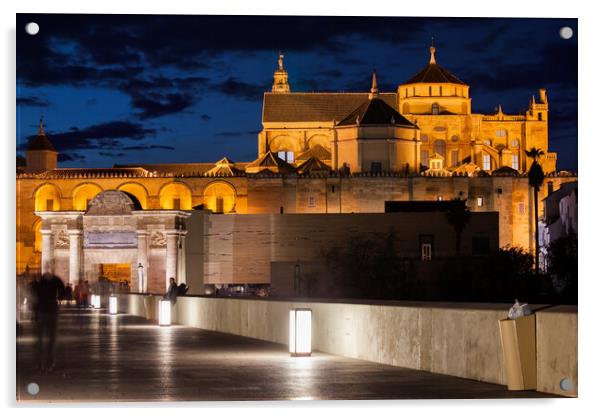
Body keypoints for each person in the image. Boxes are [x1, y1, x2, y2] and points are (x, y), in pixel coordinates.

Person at [31, 272, 65, 373]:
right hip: (50, 311)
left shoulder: (38, 283)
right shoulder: (55, 280)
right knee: (50, 339)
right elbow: (62, 292)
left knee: (40, 340)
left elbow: (34, 297)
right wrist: (59, 299)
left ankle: (40, 363)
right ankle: (48, 363)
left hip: (42, 312)